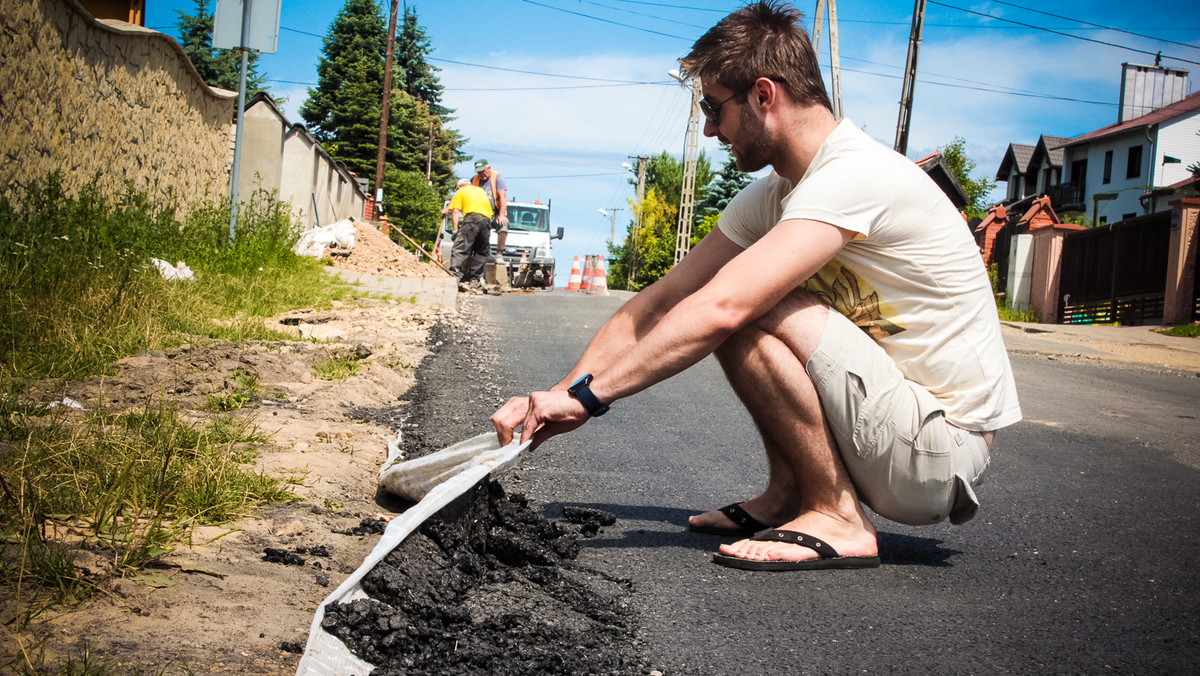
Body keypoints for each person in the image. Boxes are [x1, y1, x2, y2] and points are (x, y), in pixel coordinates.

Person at [491, 0, 1020, 572]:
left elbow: (721, 307)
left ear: (765, 96)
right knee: (730, 301)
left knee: (743, 303)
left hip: (940, 454)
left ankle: (838, 514)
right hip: (891, 433)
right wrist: (558, 397)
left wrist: (591, 400)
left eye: (713, 107)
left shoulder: (855, 174)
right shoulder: (777, 195)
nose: (709, 127)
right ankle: (788, 497)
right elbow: (662, 299)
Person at [447, 178, 492, 285]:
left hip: (472, 218)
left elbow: (455, 212)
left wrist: (454, 231)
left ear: (458, 187)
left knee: (461, 247)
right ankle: (475, 278)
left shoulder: (460, 191)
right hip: (486, 220)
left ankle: (455, 275)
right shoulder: (480, 191)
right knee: (481, 250)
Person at [471, 160, 509, 256]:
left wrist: (501, 215)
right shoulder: (474, 180)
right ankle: (474, 253)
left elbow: (503, 196)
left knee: (503, 225)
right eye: (479, 172)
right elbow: (462, 192)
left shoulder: (497, 177)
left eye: (483, 171)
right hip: (479, 214)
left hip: (494, 212)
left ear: (489, 168)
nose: (481, 174)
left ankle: (499, 253)